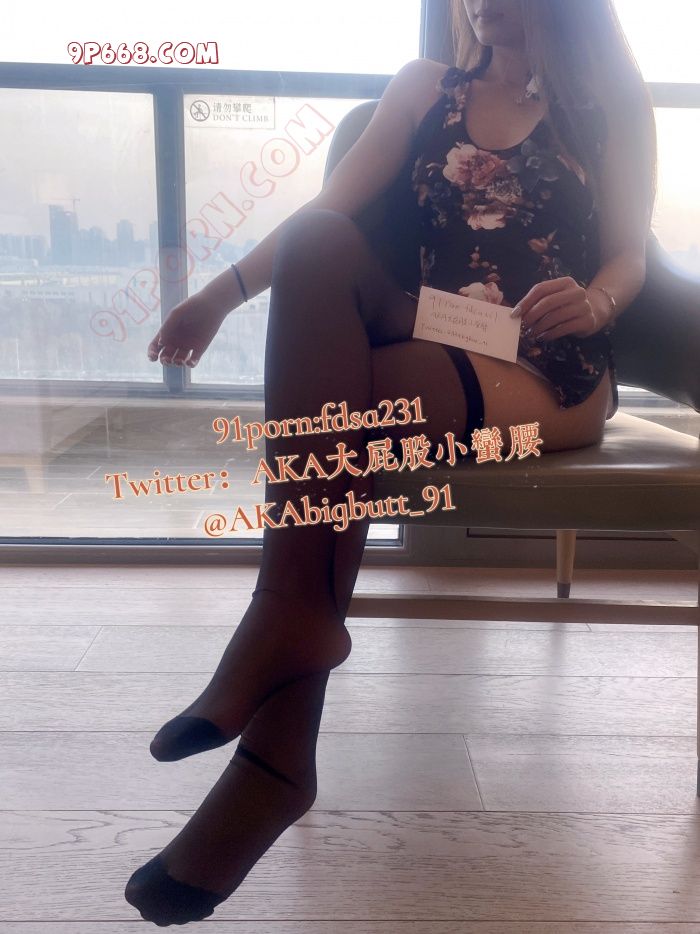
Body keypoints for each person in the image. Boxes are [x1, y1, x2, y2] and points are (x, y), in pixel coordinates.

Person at [125, 0, 657, 924]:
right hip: (434, 330)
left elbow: (631, 254)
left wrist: (600, 302)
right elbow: (324, 211)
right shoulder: (423, 88)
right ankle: (288, 661)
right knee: (323, 245)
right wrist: (217, 297)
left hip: (549, 365)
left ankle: (278, 736)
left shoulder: (606, 101)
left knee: (336, 416)